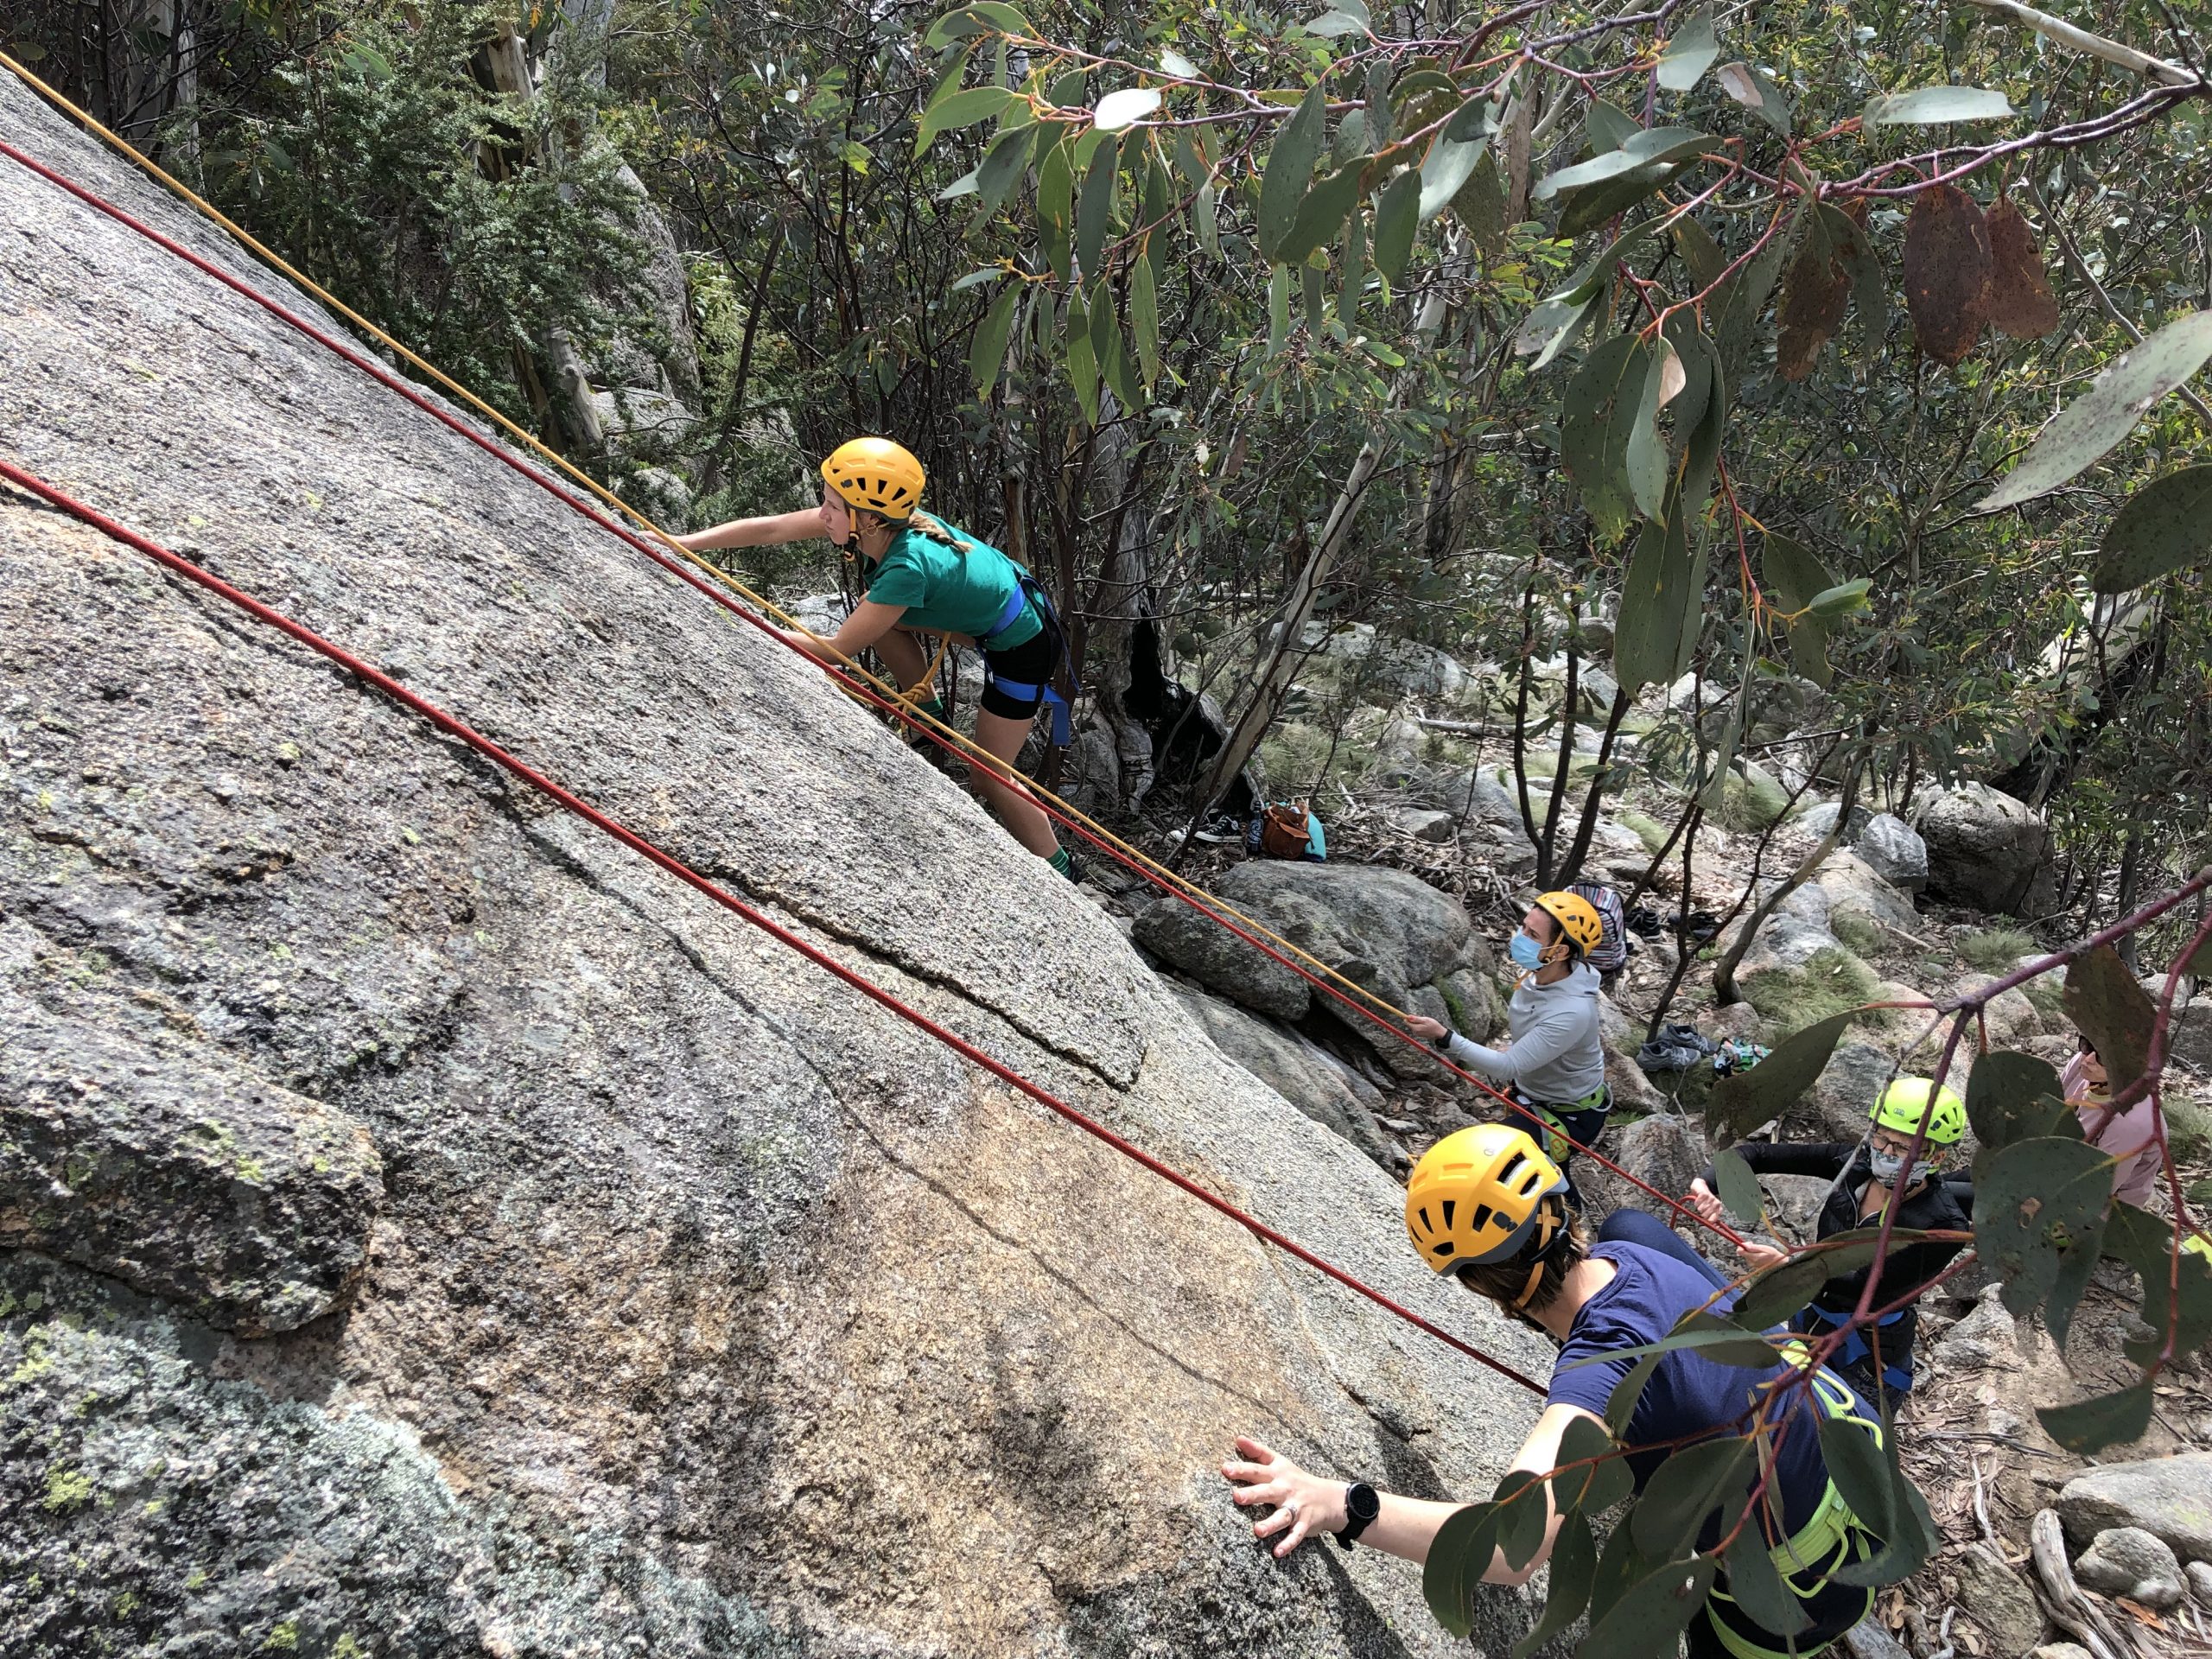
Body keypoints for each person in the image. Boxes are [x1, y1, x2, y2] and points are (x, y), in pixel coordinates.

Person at [1222, 1124, 1884, 1659]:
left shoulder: (1597, 1372)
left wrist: (1341, 1504)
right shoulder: (1638, 1239)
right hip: (1860, 1468)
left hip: (1793, 1596)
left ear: (1480, 1284)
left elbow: (1510, 1550)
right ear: (1561, 1206)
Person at [676, 437, 1077, 879]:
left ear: (866, 518)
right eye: (825, 502)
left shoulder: (905, 566)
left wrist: (729, 616)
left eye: (832, 506)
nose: (823, 514)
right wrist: (681, 543)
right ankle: (925, 710)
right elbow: (771, 529)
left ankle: (1064, 874)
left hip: (1025, 648)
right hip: (1000, 619)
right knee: (876, 609)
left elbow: (835, 649)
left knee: (988, 776)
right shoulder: (883, 523)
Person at [1686, 1078, 1972, 1407]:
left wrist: (1789, 1269)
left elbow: (1869, 1288)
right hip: (1811, 1321)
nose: (1886, 1152)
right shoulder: (1853, 1166)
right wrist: (1706, 1183)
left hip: (1869, 1354)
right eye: (1881, 1137)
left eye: (1903, 1147)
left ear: (1935, 1157)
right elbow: (1760, 1154)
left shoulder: (1942, 1225)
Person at [1405, 892, 1611, 1205]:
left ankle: (1569, 1230)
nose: (1520, 937)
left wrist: (1445, 1037)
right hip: (1538, 1096)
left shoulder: (1572, 1012)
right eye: (1524, 927)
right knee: (1547, 1169)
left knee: (1502, 1156)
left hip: (1569, 1114)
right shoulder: (1541, 975)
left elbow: (1507, 1066)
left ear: (1560, 950)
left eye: (1532, 934)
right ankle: (1569, 1216)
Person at [2061, 1038, 2162, 1206]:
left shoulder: (2131, 1123)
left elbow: (2093, 1193)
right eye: (2088, 1045)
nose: (2088, 1059)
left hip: (2098, 1212)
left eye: (2103, 1058)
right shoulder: (2081, 1065)